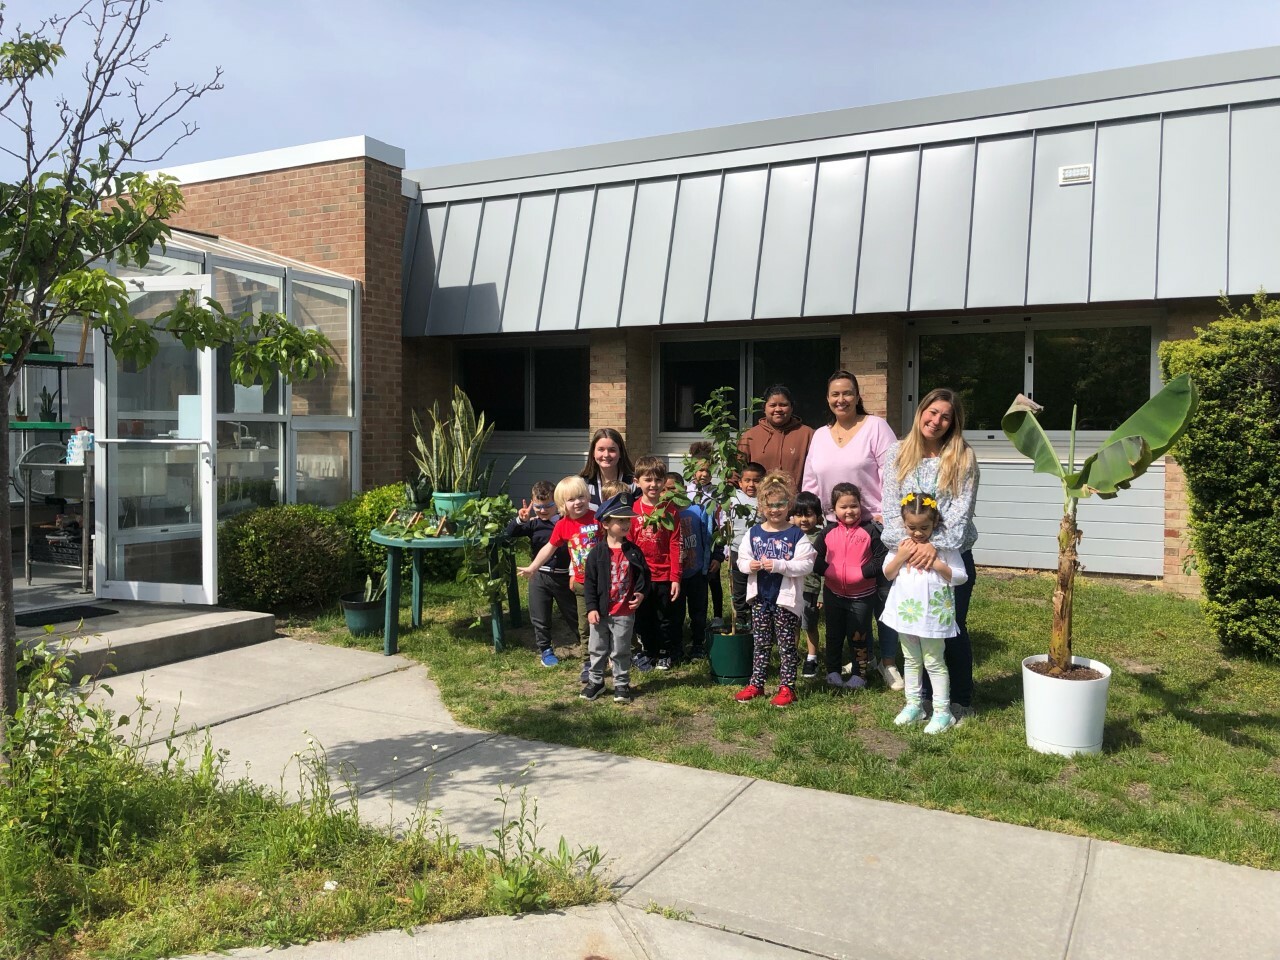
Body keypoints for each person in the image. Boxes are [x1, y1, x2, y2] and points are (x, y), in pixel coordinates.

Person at [881, 387, 980, 719]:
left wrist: (932, 546)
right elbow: (891, 510)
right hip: (908, 557)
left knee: (951, 628)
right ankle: (920, 699)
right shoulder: (897, 452)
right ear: (921, 410)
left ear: (953, 423)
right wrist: (910, 547)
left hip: (949, 555)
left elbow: (961, 513)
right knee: (914, 629)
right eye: (932, 412)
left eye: (945, 416)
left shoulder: (962, 456)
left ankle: (960, 699)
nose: (936, 421)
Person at [802, 370, 902, 689]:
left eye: (847, 393)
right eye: (835, 394)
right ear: (827, 399)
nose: (841, 399)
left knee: (882, 596)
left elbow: (893, 474)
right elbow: (811, 481)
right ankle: (864, 656)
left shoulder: (876, 427)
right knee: (843, 593)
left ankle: (888, 662)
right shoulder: (820, 435)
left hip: (873, 525)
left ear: (858, 396)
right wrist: (810, 517)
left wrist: (888, 516)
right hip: (833, 527)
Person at [880, 491, 969, 734]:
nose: (918, 533)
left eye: (924, 527)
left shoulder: (944, 549)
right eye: (912, 527)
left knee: (934, 661)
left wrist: (939, 565)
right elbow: (888, 574)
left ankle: (942, 712)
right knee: (911, 659)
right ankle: (914, 705)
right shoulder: (901, 546)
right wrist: (901, 556)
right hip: (907, 615)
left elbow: (961, 577)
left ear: (935, 524)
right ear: (903, 523)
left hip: (932, 618)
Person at [734, 470, 815, 707]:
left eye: (780, 505)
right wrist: (751, 565)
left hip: (785, 600)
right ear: (761, 506)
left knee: (787, 644)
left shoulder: (795, 534)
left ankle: (787, 687)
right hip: (760, 598)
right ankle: (756, 684)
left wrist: (780, 565)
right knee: (760, 642)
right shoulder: (754, 533)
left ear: (788, 504)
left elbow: (806, 564)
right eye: (770, 505)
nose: (775, 510)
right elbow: (741, 561)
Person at [518, 475, 600, 681]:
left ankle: (617, 653)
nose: (578, 502)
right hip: (582, 582)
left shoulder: (598, 516)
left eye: (581, 496)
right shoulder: (563, 525)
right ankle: (589, 661)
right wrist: (533, 567)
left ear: (588, 495)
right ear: (563, 504)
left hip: (605, 579)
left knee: (611, 619)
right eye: (571, 499)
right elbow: (549, 547)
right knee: (585, 624)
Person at [812, 482, 887, 690]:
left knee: (859, 635)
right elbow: (813, 557)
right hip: (833, 593)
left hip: (862, 596)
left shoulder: (870, 531)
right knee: (834, 634)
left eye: (853, 505)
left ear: (860, 506)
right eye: (843, 507)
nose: (849, 511)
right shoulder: (828, 532)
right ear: (833, 509)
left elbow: (882, 559)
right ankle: (833, 671)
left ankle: (859, 674)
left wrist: (862, 573)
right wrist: (827, 571)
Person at [581, 490, 650, 704]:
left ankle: (621, 684)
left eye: (628, 521)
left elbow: (644, 577)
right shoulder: (597, 553)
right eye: (620, 521)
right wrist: (591, 608)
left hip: (624, 611)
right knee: (597, 648)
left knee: (621, 649)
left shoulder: (634, 551)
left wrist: (640, 594)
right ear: (605, 523)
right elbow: (589, 583)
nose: (626, 525)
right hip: (601, 612)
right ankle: (596, 682)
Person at [506, 480, 575, 667]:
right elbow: (510, 533)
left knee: (574, 614)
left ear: (558, 503)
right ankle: (545, 649)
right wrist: (521, 519)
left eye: (548, 506)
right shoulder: (533, 524)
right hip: (540, 576)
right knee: (540, 616)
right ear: (531, 503)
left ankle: (589, 646)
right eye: (538, 506)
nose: (543, 510)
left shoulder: (566, 522)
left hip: (564, 576)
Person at [629, 455, 683, 670]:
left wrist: (675, 577)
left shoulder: (670, 510)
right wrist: (631, 575)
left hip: (664, 574)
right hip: (641, 575)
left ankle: (664, 651)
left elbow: (675, 543)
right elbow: (629, 545)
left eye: (658, 480)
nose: (653, 485)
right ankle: (648, 651)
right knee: (643, 616)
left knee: (664, 616)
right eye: (648, 480)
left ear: (664, 482)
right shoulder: (632, 510)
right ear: (637, 481)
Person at [666, 471, 721, 659]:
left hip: (697, 571)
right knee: (676, 613)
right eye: (664, 489)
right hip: (675, 575)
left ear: (682, 489)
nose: (668, 492)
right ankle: (676, 646)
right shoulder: (663, 515)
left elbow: (714, 535)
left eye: (672, 488)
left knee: (698, 611)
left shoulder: (698, 511)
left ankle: (698, 644)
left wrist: (717, 557)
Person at [738, 383, 814, 479]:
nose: (778, 409)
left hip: (796, 494)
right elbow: (736, 473)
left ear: (792, 407)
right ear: (764, 408)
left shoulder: (807, 434)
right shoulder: (749, 437)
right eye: (773, 405)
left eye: (783, 405)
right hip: (759, 494)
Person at [686, 441, 724, 626]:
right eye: (700, 470)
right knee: (696, 584)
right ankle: (695, 618)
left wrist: (719, 553)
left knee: (714, 580)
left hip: (711, 542)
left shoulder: (718, 493)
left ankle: (717, 615)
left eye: (708, 470)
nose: (704, 474)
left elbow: (722, 523)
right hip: (694, 544)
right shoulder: (686, 492)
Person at [789, 491, 824, 679]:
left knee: (809, 625)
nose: (803, 519)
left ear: (817, 516)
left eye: (808, 514)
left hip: (811, 589)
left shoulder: (821, 537)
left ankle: (812, 658)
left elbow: (826, 567)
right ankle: (792, 657)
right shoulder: (788, 534)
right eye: (799, 514)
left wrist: (821, 594)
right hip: (791, 588)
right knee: (792, 624)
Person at [727, 461, 764, 631]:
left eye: (756, 481)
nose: (751, 484)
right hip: (737, 551)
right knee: (740, 589)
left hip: (761, 554)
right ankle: (741, 622)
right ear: (740, 482)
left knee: (759, 589)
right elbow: (725, 523)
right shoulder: (733, 499)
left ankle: (760, 623)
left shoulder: (766, 502)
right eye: (747, 480)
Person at [580, 427, 636, 511]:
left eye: (612, 450)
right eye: (601, 449)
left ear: (620, 453)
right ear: (593, 453)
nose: (606, 455)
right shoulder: (583, 484)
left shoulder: (634, 483)